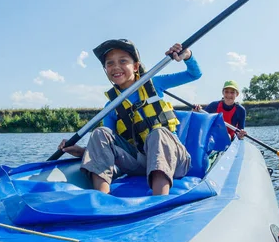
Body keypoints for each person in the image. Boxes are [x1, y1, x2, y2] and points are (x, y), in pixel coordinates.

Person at [57, 39, 201, 196]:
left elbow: (194, 74)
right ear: (105, 69)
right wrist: (82, 151)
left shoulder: (154, 83)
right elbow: (106, 147)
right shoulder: (111, 107)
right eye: (110, 63)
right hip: (139, 163)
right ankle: (102, 198)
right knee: (100, 132)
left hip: (174, 161)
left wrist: (187, 55)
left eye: (123, 61)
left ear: (136, 66)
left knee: (158, 133)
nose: (116, 67)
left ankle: (159, 199)